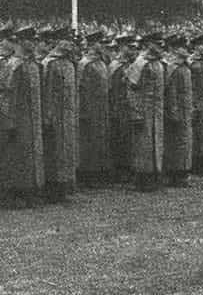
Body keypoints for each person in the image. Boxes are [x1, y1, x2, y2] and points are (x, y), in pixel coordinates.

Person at [0, 30, 44, 208]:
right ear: (21, 42)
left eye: (34, 40)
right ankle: (12, 193)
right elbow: (7, 94)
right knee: (15, 157)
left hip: (32, 117)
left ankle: (28, 190)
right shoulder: (14, 65)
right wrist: (8, 120)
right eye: (29, 40)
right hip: (17, 118)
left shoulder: (33, 64)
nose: (33, 43)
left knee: (30, 155)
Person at [41, 31, 78, 202]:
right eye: (66, 41)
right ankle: (53, 188)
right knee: (55, 151)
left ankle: (65, 185)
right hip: (55, 113)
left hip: (68, 113)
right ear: (58, 42)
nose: (70, 45)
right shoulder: (50, 63)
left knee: (67, 151)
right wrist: (48, 115)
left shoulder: (70, 63)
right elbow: (46, 90)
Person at [127, 33, 165, 192]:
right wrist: (136, 112)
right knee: (144, 147)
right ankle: (142, 179)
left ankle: (155, 176)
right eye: (156, 44)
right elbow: (131, 90)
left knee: (156, 145)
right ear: (148, 44)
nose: (160, 47)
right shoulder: (140, 63)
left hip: (157, 110)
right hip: (144, 110)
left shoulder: (158, 63)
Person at [77, 31, 111, 186]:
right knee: (88, 140)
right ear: (92, 45)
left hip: (101, 107)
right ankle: (87, 174)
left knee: (100, 139)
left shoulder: (102, 63)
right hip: (89, 107)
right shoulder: (85, 64)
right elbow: (81, 88)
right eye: (99, 43)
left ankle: (99, 171)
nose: (102, 46)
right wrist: (83, 109)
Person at [163, 33, 194, 187]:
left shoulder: (184, 66)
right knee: (176, 143)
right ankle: (176, 173)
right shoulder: (173, 68)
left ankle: (183, 171)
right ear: (174, 49)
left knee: (185, 141)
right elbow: (171, 91)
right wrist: (173, 111)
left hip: (186, 107)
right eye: (181, 47)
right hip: (177, 109)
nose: (185, 50)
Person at [108, 33, 137, 183]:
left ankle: (129, 168)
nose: (133, 51)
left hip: (130, 106)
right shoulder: (115, 66)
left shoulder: (133, 64)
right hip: (118, 106)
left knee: (130, 139)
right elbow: (111, 89)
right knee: (119, 138)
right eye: (130, 47)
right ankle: (119, 171)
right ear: (122, 47)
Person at [189, 33, 203, 174]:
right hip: (195, 102)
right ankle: (194, 164)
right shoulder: (192, 63)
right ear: (196, 47)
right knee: (195, 135)